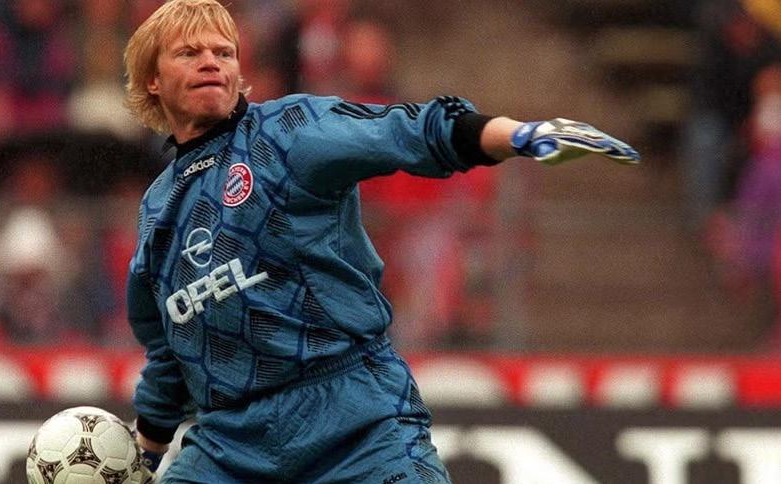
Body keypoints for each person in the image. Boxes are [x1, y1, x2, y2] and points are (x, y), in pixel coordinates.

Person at [122, 1, 639, 482]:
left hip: (355, 427)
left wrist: (518, 136)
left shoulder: (290, 131)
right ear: (152, 81)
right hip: (232, 448)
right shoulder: (157, 210)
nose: (211, 62)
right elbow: (170, 354)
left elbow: (406, 131)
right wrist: (142, 457)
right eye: (189, 53)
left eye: (224, 52)